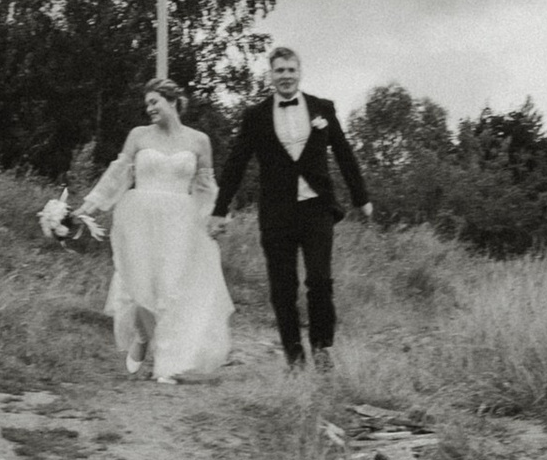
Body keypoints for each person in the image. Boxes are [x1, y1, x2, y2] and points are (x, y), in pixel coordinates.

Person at [212, 47, 369, 370]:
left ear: (300, 72)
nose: (285, 76)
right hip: (277, 212)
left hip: (317, 209)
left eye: (290, 70)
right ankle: (294, 355)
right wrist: (219, 207)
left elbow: (344, 153)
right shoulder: (255, 116)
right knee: (283, 288)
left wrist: (361, 196)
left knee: (320, 281)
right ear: (271, 75)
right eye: (279, 70)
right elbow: (236, 163)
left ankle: (323, 348)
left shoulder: (323, 108)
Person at [81, 80, 233, 382]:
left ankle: (168, 363)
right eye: (147, 103)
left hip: (180, 221)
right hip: (140, 217)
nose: (149, 108)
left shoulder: (199, 140)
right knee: (139, 285)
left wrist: (216, 217)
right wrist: (88, 207)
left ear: (173, 101)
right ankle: (141, 335)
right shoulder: (138, 136)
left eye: (154, 102)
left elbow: (204, 186)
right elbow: (117, 175)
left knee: (171, 290)